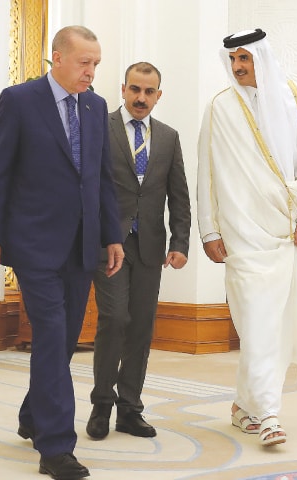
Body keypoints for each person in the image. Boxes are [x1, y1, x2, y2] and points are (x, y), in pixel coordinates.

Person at [0, 25, 123, 479]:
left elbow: (100, 178)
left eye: (96, 63)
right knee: (51, 336)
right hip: (34, 245)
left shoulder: (97, 107)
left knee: (59, 344)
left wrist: (111, 234)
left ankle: (32, 416)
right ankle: (56, 448)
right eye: (85, 63)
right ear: (57, 58)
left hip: (82, 246)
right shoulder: (19, 100)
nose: (91, 71)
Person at [197, 28, 297, 447]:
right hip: (240, 233)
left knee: (275, 325)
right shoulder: (220, 108)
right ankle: (267, 413)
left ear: (261, 59)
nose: (237, 67)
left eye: (244, 59)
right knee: (254, 322)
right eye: (232, 60)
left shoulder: (292, 99)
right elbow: (206, 173)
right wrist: (209, 229)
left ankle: (246, 406)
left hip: (284, 230)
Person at [86, 62, 191, 440]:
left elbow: (178, 194)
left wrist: (180, 242)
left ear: (158, 96)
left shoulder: (168, 136)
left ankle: (130, 409)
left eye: (149, 92)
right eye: (135, 89)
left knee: (142, 328)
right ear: (123, 90)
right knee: (114, 320)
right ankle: (102, 404)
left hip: (150, 245)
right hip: (108, 243)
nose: (141, 98)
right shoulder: (102, 128)